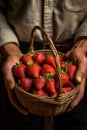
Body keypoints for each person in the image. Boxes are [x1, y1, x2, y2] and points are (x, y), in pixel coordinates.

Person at [0, 0, 87, 130]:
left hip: (73, 55)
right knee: (23, 123)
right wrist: (10, 49)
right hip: (19, 54)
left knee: (76, 121)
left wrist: (82, 46)